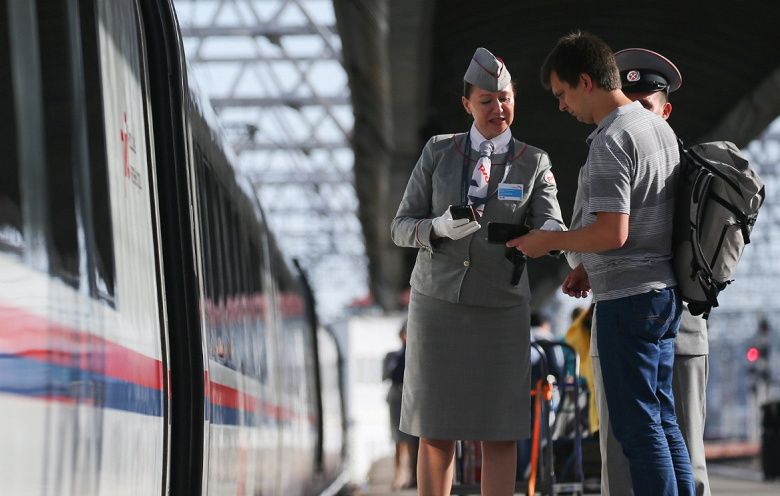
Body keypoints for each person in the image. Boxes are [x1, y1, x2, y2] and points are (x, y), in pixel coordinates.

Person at [509, 31, 695, 495]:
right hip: (660, 295)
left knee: (638, 430)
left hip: (628, 303)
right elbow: (649, 221)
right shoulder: (658, 129)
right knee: (663, 420)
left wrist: (548, 241)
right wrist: (586, 264)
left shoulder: (612, 139)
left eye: (562, 93)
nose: (561, 106)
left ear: (586, 82)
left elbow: (615, 231)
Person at [390, 47, 566, 496]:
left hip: (500, 309)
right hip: (437, 306)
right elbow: (400, 227)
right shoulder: (438, 152)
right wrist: (437, 228)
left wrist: (549, 234)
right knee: (435, 429)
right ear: (466, 104)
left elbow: (553, 222)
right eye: (486, 100)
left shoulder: (534, 162)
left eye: (505, 98)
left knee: (500, 430)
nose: (497, 109)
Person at [584, 47, 711, 496]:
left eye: (646, 105)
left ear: (666, 109)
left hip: (674, 322)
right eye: (628, 100)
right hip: (645, 311)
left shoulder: (684, 163)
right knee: (631, 451)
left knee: (668, 444)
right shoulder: (619, 152)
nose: (633, 112)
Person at [382, 322, 419, 490]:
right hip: (396, 400)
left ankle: (413, 475)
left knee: (413, 438)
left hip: (413, 401)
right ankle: (399, 474)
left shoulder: (417, 354)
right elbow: (387, 375)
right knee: (398, 437)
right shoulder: (392, 356)